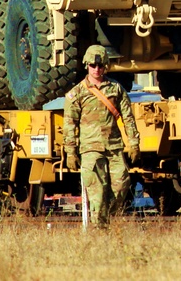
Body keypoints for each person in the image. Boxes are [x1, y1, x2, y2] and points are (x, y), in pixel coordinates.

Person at [63, 45, 141, 227]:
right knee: (97, 192)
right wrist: (70, 152)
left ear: (105, 66)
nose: (96, 69)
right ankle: (100, 230)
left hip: (113, 146)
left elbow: (128, 117)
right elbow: (69, 125)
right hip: (90, 149)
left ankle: (106, 218)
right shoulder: (77, 93)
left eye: (100, 65)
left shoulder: (116, 89)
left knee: (122, 184)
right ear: (86, 66)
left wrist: (134, 144)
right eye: (92, 65)